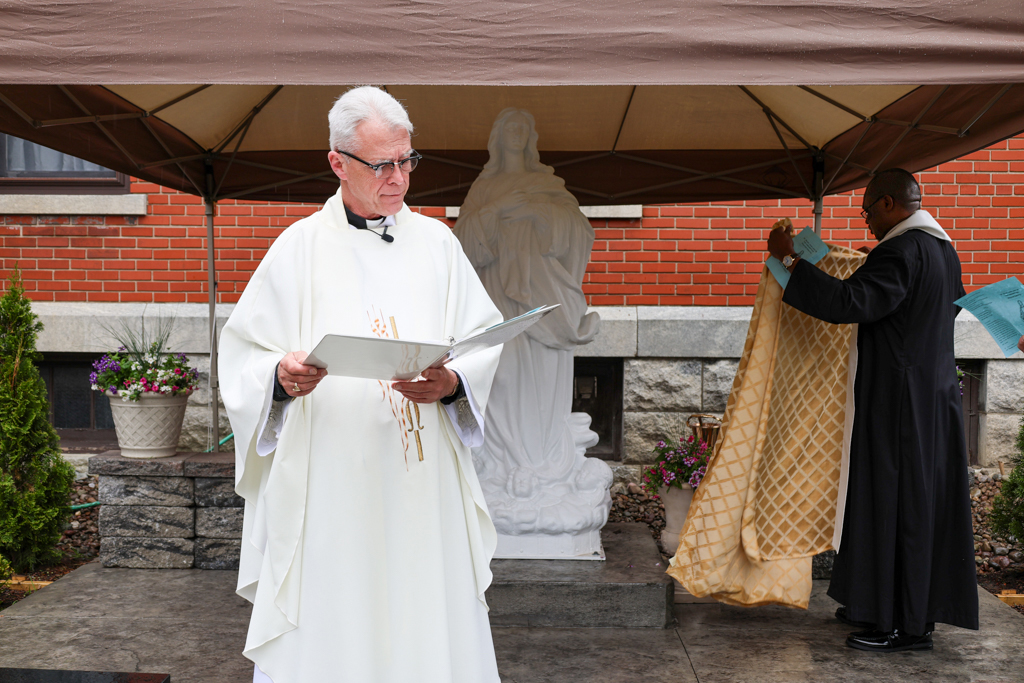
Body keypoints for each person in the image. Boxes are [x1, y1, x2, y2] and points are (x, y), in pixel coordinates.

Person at [219, 86, 505, 683]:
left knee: (424, 617)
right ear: (338, 162)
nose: (398, 178)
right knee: (337, 624)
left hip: (421, 484)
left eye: (406, 161)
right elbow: (245, 354)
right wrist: (279, 376)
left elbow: (483, 337)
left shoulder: (438, 243)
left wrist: (453, 383)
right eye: (381, 165)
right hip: (332, 483)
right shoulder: (298, 248)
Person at [766, 168, 978, 652]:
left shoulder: (901, 251)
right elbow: (939, 304)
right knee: (909, 501)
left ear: (888, 203)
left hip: (899, 401)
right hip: (933, 397)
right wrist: (877, 267)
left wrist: (787, 260)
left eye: (866, 212)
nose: (866, 224)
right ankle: (876, 604)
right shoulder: (942, 248)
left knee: (897, 504)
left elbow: (849, 302)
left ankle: (905, 625)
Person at [453, 108, 610, 553]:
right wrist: (496, 212)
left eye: (523, 127)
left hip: (542, 302)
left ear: (531, 137)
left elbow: (579, 233)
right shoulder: (484, 189)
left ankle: (541, 466)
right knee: (501, 378)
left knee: (539, 381)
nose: (517, 134)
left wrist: (545, 219)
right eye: (509, 128)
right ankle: (504, 465)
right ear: (498, 140)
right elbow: (462, 243)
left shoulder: (550, 188)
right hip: (497, 302)